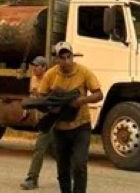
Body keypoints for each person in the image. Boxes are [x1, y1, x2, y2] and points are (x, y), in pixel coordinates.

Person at [36, 42, 102, 193]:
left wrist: (81, 100)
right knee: (63, 168)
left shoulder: (84, 72)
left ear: (72, 56)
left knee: (79, 165)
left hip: (81, 126)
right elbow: (41, 97)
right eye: (62, 58)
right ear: (57, 59)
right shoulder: (51, 75)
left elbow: (99, 94)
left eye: (68, 57)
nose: (66, 61)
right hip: (60, 128)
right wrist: (53, 105)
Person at [20, 56, 54, 190]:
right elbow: (32, 96)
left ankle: (32, 179)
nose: (34, 68)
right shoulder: (33, 78)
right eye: (33, 65)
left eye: (37, 66)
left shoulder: (51, 79)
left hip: (52, 117)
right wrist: (26, 110)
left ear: (44, 68)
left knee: (40, 148)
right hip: (43, 118)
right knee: (50, 149)